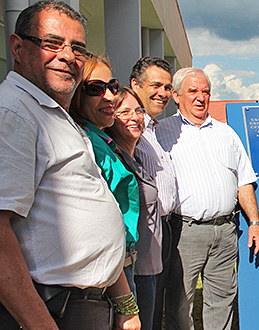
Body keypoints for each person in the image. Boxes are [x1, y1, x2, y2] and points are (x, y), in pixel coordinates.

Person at [0, 1, 138, 329]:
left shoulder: (50, 112)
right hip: (53, 310)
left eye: (77, 48)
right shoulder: (14, 112)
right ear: (17, 47)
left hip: (87, 304)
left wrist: (123, 300)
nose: (67, 55)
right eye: (51, 43)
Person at [156, 67, 259, 330]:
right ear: (176, 96)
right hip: (185, 232)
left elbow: (244, 180)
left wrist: (255, 222)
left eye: (205, 91)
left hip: (226, 232)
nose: (200, 97)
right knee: (180, 304)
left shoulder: (226, 133)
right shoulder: (162, 133)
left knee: (223, 300)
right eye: (192, 91)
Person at [68, 54, 141, 290]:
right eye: (96, 88)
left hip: (122, 260)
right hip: (108, 271)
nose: (110, 97)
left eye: (112, 86)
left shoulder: (102, 139)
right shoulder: (84, 143)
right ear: (76, 92)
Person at [129, 56, 179, 330]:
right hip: (144, 229)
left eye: (167, 87)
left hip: (165, 227)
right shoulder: (129, 127)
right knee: (143, 305)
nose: (163, 94)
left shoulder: (155, 128)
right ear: (135, 85)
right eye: (155, 85)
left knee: (156, 302)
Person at [107, 86, 162, 330]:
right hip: (131, 271)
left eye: (138, 111)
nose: (135, 117)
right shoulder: (115, 160)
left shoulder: (136, 157)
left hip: (149, 266)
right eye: (124, 111)